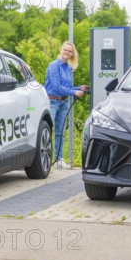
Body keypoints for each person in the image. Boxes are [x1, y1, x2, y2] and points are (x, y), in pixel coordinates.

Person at [44, 41, 89, 169]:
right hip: (52, 101)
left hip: (63, 102)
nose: (67, 53)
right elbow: (56, 87)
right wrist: (74, 92)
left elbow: (66, 87)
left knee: (60, 132)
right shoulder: (53, 66)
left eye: (70, 51)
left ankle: (59, 160)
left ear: (72, 54)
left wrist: (79, 88)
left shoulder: (68, 68)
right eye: (65, 50)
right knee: (47, 131)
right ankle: (44, 159)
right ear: (61, 50)